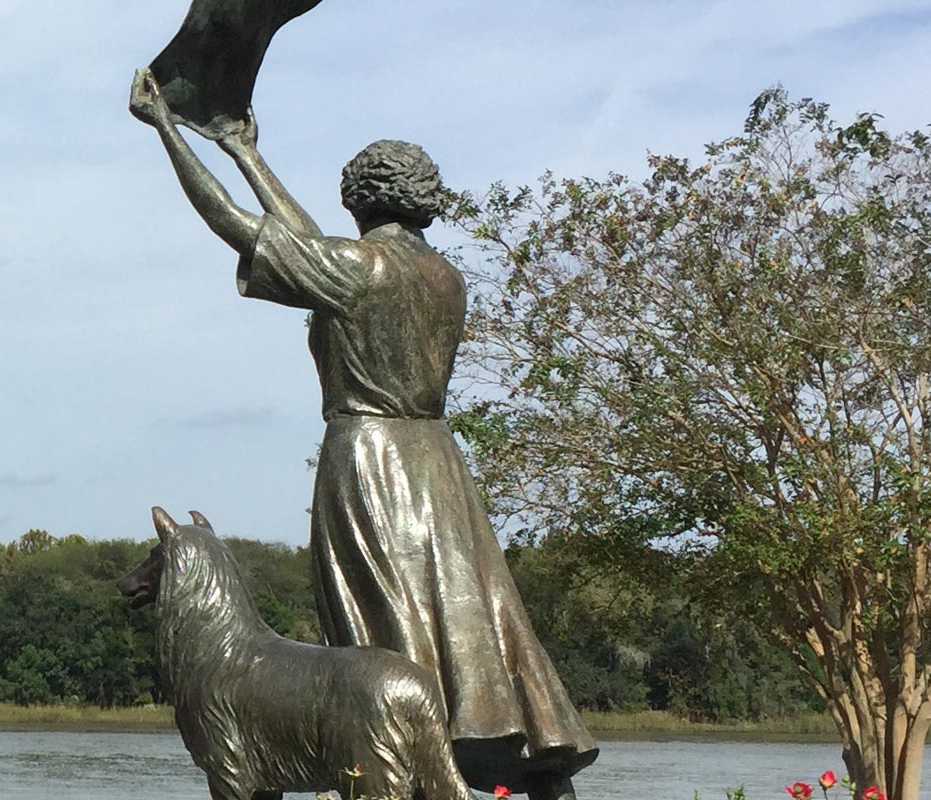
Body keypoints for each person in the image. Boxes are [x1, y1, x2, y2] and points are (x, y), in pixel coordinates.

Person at [129, 69, 599, 799]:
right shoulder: (442, 276)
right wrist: (246, 152)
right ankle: (517, 761)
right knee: (467, 618)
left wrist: (165, 127)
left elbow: (237, 226)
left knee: (382, 635)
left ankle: (395, 769)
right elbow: (311, 249)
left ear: (359, 197)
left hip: (369, 465)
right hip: (438, 464)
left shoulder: (357, 269)